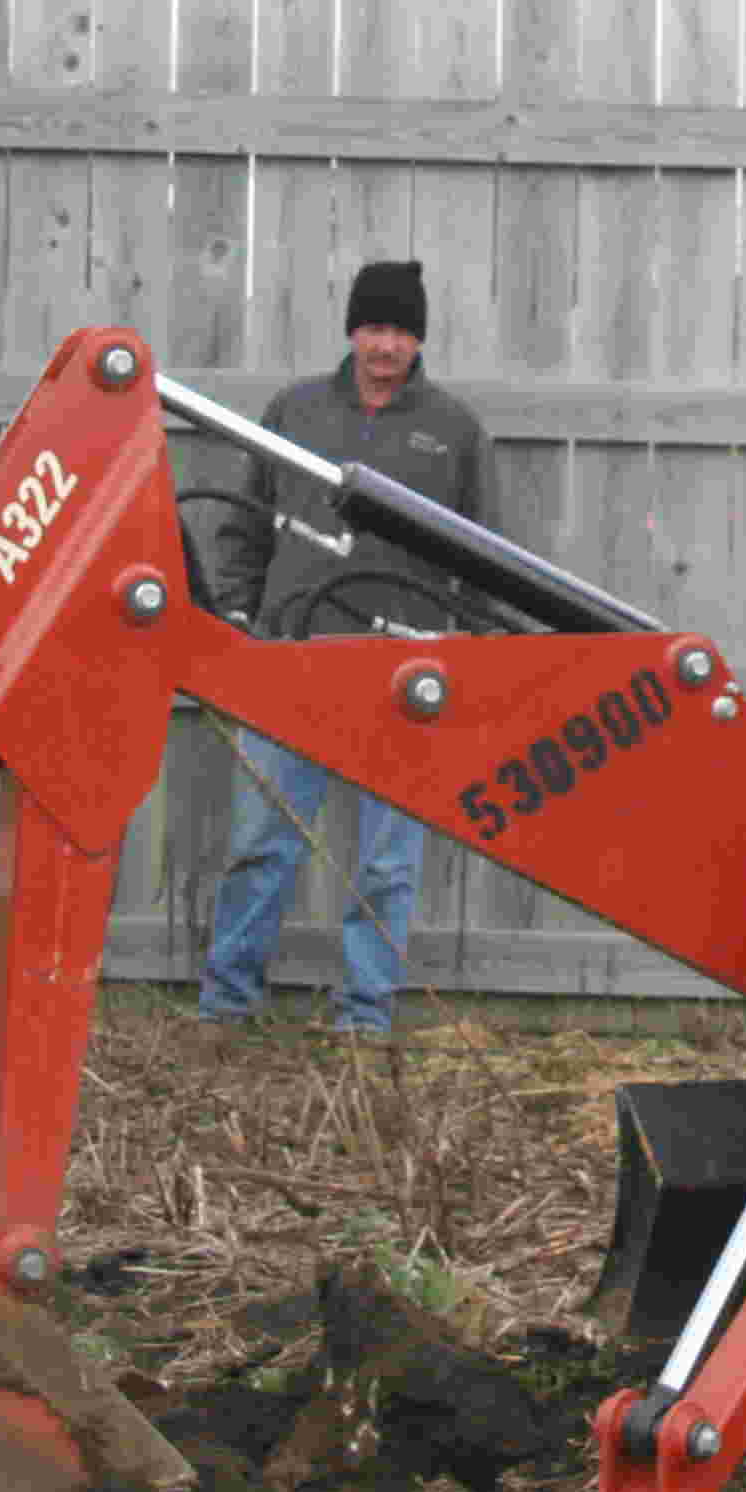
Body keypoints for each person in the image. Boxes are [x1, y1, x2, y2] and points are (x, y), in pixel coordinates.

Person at [194, 258, 493, 1038]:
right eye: (374, 327)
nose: (385, 345)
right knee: (261, 844)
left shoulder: (453, 433)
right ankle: (227, 1007)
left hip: (406, 677)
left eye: (400, 330)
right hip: (293, 661)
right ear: (353, 330)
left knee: (388, 863)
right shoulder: (294, 413)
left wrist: (468, 649)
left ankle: (365, 1016)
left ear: (417, 338)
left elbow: (484, 557)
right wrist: (235, 610)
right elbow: (245, 526)